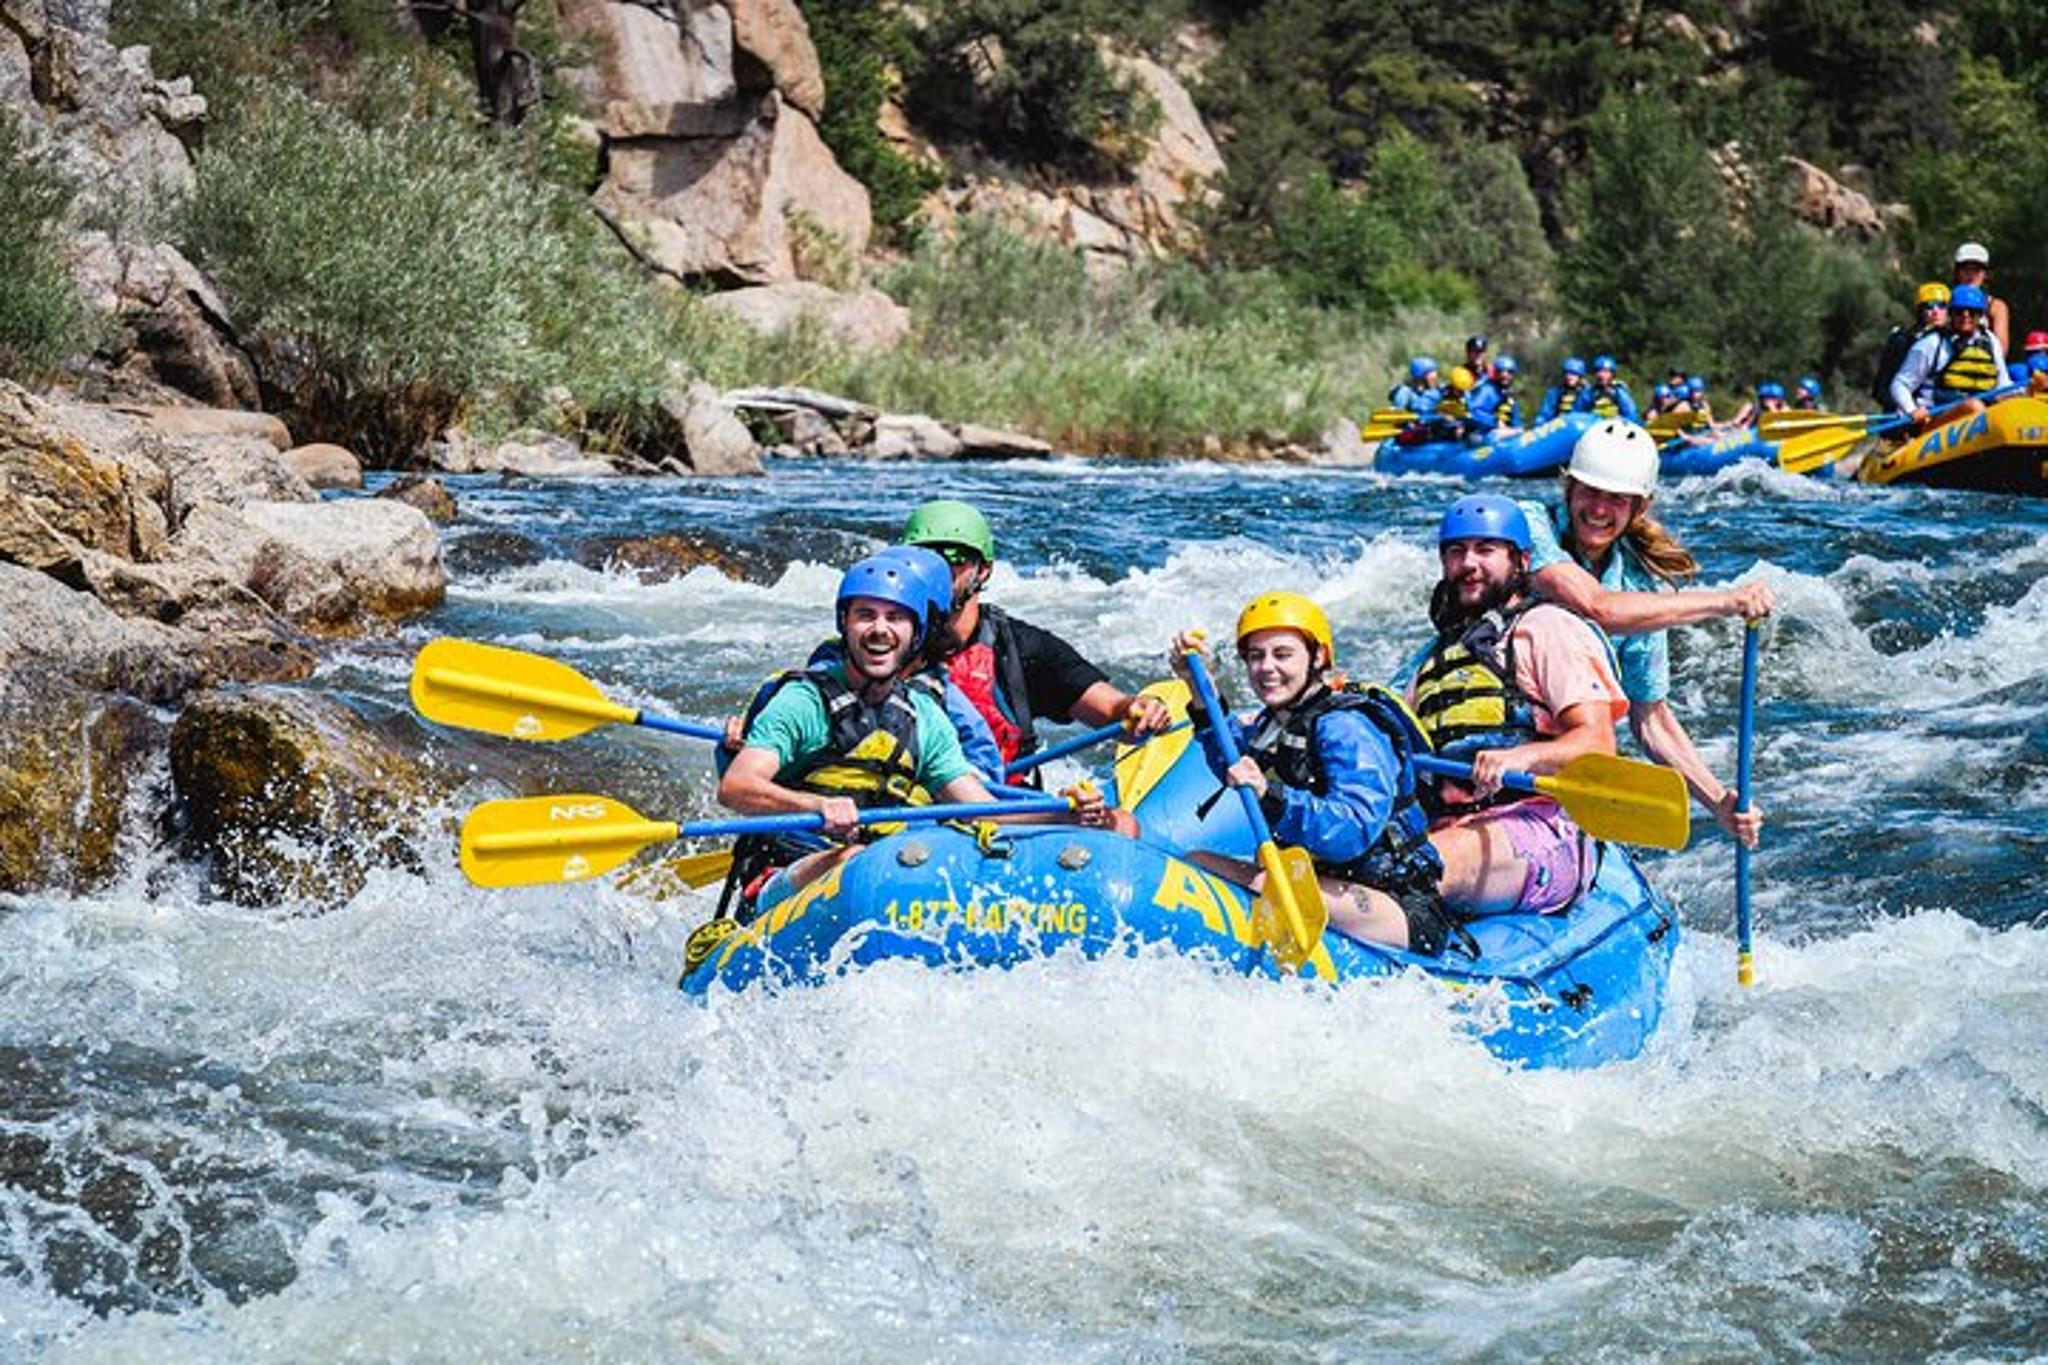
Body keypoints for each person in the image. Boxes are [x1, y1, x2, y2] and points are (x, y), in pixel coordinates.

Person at [718, 553, 1112, 902]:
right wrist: (817, 805)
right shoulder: (804, 700)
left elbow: (981, 811)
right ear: (845, 623)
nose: (880, 629)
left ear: (916, 633)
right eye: (865, 615)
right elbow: (736, 787)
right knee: (855, 861)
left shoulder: (924, 716)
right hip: (789, 870)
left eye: (896, 618)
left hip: (886, 871)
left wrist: (1062, 814)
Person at [1514, 420, 1773, 845]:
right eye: (1590, 492)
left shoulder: (1638, 587)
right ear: (1569, 487)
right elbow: (1598, 607)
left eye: (1617, 499)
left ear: (1640, 506)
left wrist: (1719, 802)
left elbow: (1650, 719)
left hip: (1553, 746)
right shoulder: (1530, 525)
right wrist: (1725, 601)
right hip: (1490, 706)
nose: (1599, 509)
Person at [1166, 594, 1452, 953]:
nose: (1266, 667)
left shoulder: (1347, 727)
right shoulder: (1275, 721)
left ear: (1317, 657)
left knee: (1262, 884)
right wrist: (1198, 687)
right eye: (1256, 656)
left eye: (1282, 654)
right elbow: (1232, 760)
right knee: (1195, 863)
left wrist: (1271, 797)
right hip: (1320, 883)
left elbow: (1353, 830)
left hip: (1398, 905)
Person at [1401, 495, 1630, 920]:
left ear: (1521, 561)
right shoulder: (1437, 658)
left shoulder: (1546, 629)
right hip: (1454, 830)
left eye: (1485, 550)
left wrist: (1521, 757)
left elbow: (1597, 742)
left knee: (1404, 870)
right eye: (1456, 551)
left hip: (1539, 830)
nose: (1468, 563)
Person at [903, 499, 1172, 775]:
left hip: (1001, 806)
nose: (936, 570)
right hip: (908, 803)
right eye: (923, 557)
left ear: (983, 570)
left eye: (952, 557)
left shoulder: (1021, 649)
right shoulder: (883, 641)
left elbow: (1113, 713)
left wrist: (1138, 711)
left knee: (1121, 821)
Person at [1889, 282, 2008, 428]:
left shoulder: (1990, 341)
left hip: (1983, 418)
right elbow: (1900, 384)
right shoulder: (1932, 343)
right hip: (1938, 422)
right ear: (1951, 313)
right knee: (1973, 407)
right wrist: (1912, 410)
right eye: (1959, 312)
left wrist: (2028, 390)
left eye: (1972, 312)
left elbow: (2004, 386)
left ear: (1980, 315)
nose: (1966, 316)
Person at [1873, 283, 1950, 412]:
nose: (1935, 312)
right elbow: (1881, 387)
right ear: (1920, 311)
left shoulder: (1955, 341)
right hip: (1904, 416)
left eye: (1942, 306)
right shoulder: (1902, 340)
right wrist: (1905, 409)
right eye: (1929, 306)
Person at [1952, 242, 2012, 355]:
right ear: (1957, 273)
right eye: (1966, 270)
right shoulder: (1946, 301)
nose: (1971, 275)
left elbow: (2001, 350)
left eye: (1976, 270)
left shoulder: (1996, 307)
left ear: (1985, 274)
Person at [1462, 354, 1521, 443]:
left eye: (1509, 372)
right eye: (1501, 371)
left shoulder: (1508, 395)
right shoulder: (1487, 391)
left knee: (1519, 431)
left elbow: (1515, 420)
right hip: (1479, 434)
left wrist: (1518, 429)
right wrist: (1495, 422)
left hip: (1498, 433)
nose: (1505, 375)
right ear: (1496, 374)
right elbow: (1473, 411)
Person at [1575, 354, 1640, 421]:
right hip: (1594, 428)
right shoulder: (1589, 392)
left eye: (1605, 371)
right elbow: (1577, 413)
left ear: (1612, 374)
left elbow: (1631, 415)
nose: (1601, 375)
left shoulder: (1618, 392)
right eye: (1598, 371)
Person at [1536, 357, 1588, 423]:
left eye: (1573, 374)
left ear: (1580, 377)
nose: (1569, 377)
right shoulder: (1554, 393)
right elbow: (1544, 414)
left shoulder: (1587, 394)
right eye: (1567, 373)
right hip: (1559, 428)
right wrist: (1539, 424)